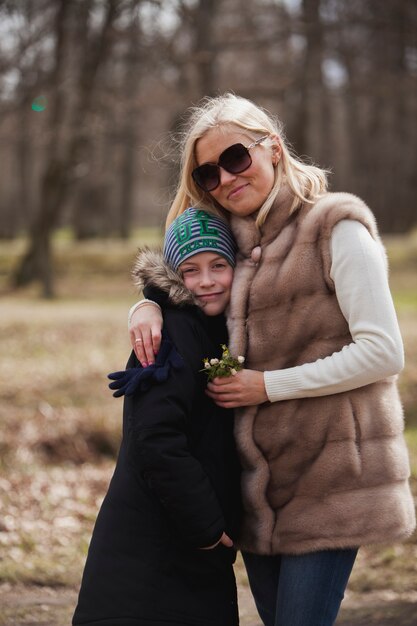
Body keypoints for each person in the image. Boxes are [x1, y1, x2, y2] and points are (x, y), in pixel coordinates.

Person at [128, 93, 416, 626]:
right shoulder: (235, 242)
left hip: (331, 481)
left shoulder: (337, 229)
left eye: (236, 158)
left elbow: (383, 352)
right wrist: (147, 305)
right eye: (209, 174)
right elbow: (193, 283)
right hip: (258, 491)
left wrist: (267, 386)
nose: (226, 178)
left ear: (274, 149)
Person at [72, 208, 242, 626]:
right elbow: (155, 438)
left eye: (218, 265)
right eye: (191, 269)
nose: (206, 280)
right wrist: (206, 527)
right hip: (156, 550)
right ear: (173, 276)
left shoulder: (215, 329)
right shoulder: (169, 336)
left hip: (184, 547)